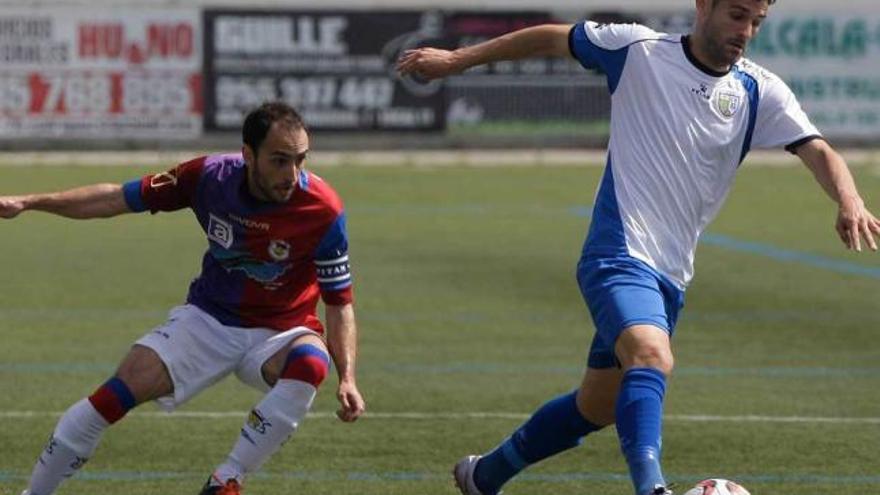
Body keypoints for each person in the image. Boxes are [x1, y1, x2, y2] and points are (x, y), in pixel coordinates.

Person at [398, 1, 880, 494]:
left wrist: (850, 200)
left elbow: (818, 148)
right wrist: (457, 61)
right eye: (737, 15)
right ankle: (653, 489)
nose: (746, 31)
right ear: (703, 6)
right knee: (651, 357)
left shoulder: (760, 89)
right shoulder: (638, 50)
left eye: (756, 21)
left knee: (597, 406)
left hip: (670, 275)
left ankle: (485, 475)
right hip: (617, 253)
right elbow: (547, 37)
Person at [0, 102, 366, 495]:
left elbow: (338, 301)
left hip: (283, 331)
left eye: (300, 160)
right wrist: (32, 201)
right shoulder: (207, 176)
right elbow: (114, 199)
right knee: (111, 399)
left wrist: (347, 377)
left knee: (312, 362)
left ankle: (226, 479)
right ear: (248, 155)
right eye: (279, 160)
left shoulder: (323, 209)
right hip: (208, 320)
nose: (291, 174)